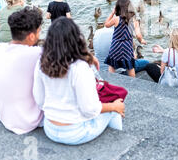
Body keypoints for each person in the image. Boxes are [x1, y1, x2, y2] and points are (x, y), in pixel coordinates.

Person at [33, 17, 124, 145]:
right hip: (76, 133)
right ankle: (118, 145)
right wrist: (114, 106)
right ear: (76, 39)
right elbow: (89, 109)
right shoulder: (79, 68)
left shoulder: (41, 63)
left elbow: (39, 100)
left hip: (50, 128)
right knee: (114, 110)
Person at [0, 6, 44, 134]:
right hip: (28, 120)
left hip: (4, 115)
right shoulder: (37, 54)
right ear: (31, 36)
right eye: (39, 31)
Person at [104, 0, 146, 77]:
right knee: (130, 66)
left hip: (115, 46)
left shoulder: (116, 19)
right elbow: (138, 35)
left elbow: (106, 24)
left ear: (118, 8)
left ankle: (110, 80)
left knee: (112, 65)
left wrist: (112, 13)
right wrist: (141, 40)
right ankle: (132, 82)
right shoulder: (134, 21)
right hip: (127, 47)